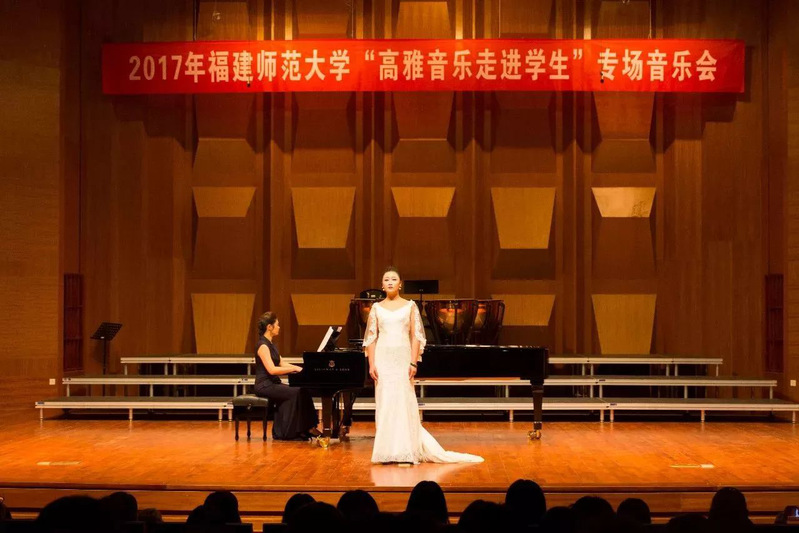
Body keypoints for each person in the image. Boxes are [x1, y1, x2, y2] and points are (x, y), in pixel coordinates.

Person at [363, 267, 483, 464]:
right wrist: (372, 364)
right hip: (383, 359)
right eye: (386, 279)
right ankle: (385, 451)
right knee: (385, 401)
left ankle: (405, 450)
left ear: (400, 284)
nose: (390, 282)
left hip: (402, 358)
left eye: (394, 279)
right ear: (382, 285)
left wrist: (413, 361)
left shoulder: (410, 306)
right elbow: (371, 338)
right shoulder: (376, 308)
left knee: (403, 400)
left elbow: (416, 336)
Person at [253, 312, 321, 440]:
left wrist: (301, 369)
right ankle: (295, 431)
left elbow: (282, 363)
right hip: (264, 385)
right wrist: (293, 369)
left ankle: (307, 428)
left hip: (272, 383)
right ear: (269, 327)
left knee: (303, 391)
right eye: (277, 325)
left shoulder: (271, 345)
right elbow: (272, 370)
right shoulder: (263, 346)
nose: (279, 327)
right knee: (297, 392)